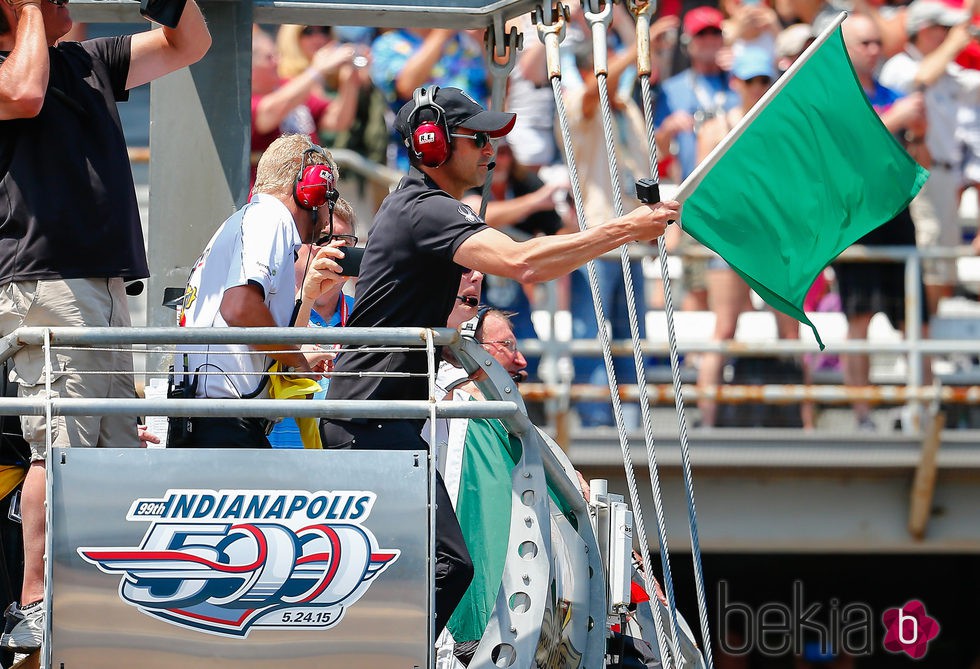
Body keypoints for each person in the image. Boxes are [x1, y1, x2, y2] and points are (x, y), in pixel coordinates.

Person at [321, 85, 678, 635]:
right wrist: (626, 228)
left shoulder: (420, 206)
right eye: (478, 139)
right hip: (370, 418)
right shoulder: (427, 210)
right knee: (445, 565)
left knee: (420, 566)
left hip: (375, 416)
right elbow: (524, 264)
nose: (491, 151)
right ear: (432, 144)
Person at [0, 0, 210, 652]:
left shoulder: (86, 61)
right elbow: (25, 93)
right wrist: (30, 11)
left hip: (100, 280)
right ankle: (34, 600)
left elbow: (188, 45)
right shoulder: (15, 72)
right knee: (58, 443)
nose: (67, 3)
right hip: (43, 281)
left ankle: (98, 591)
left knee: (114, 449)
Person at [171, 134, 340, 448]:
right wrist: (297, 361)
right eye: (327, 196)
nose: (326, 211)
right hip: (225, 424)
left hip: (213, 420)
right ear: (310, 188)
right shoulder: (269, 218)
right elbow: (240, 308)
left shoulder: (251, 220)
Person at [693, 47, 812, 429]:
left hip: (771, 241)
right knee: (724, 329)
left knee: (790, 328)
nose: (759, 87)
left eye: (764, 80)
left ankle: (806, 422)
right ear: (736, 83)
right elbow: (701, 188)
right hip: (730, 242)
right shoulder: (715, 129)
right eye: (752, 81)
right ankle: (706, 420)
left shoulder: (777, 127)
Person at [839, 13, 931, 431]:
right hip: (856, 218)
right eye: (866, 43)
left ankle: (922, 411)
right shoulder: (838, 95)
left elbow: (923, 166)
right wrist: (897, 119)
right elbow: (849, 152)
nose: (875, 50)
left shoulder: (894, 94)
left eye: (879, 42)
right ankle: (861, 416)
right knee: (858, 320)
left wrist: (920, 133)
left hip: (895, 214)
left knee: (915, 318)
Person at [880, 1, 980, 316]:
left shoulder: (949, 71)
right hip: (919, 174)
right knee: (929, 262)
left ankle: (932, 338)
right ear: (925, 31)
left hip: (947, 178)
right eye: (945, 29)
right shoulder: (899, 65)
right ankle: (922, 338)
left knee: (944, 264)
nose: (952, 35)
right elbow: (922, 77)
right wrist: (956, 42)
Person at [268, 197, 358, 448]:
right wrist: (306, 298)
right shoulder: (269, 309)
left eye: (345, 242)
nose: (335, 251)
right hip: (277, 460)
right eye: (323, 240)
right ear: (297, 247)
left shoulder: (366, 313)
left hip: (344, 464)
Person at [250, 27, 363, 175]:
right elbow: (267, 113)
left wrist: (349, 79)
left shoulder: (287, 86)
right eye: (269, 57)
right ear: (251, 65)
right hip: (270, 190)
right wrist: (318, 69)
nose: (277, 61)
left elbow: (337, 121)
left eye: (276, 55)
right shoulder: (245, 99)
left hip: (307, 187)